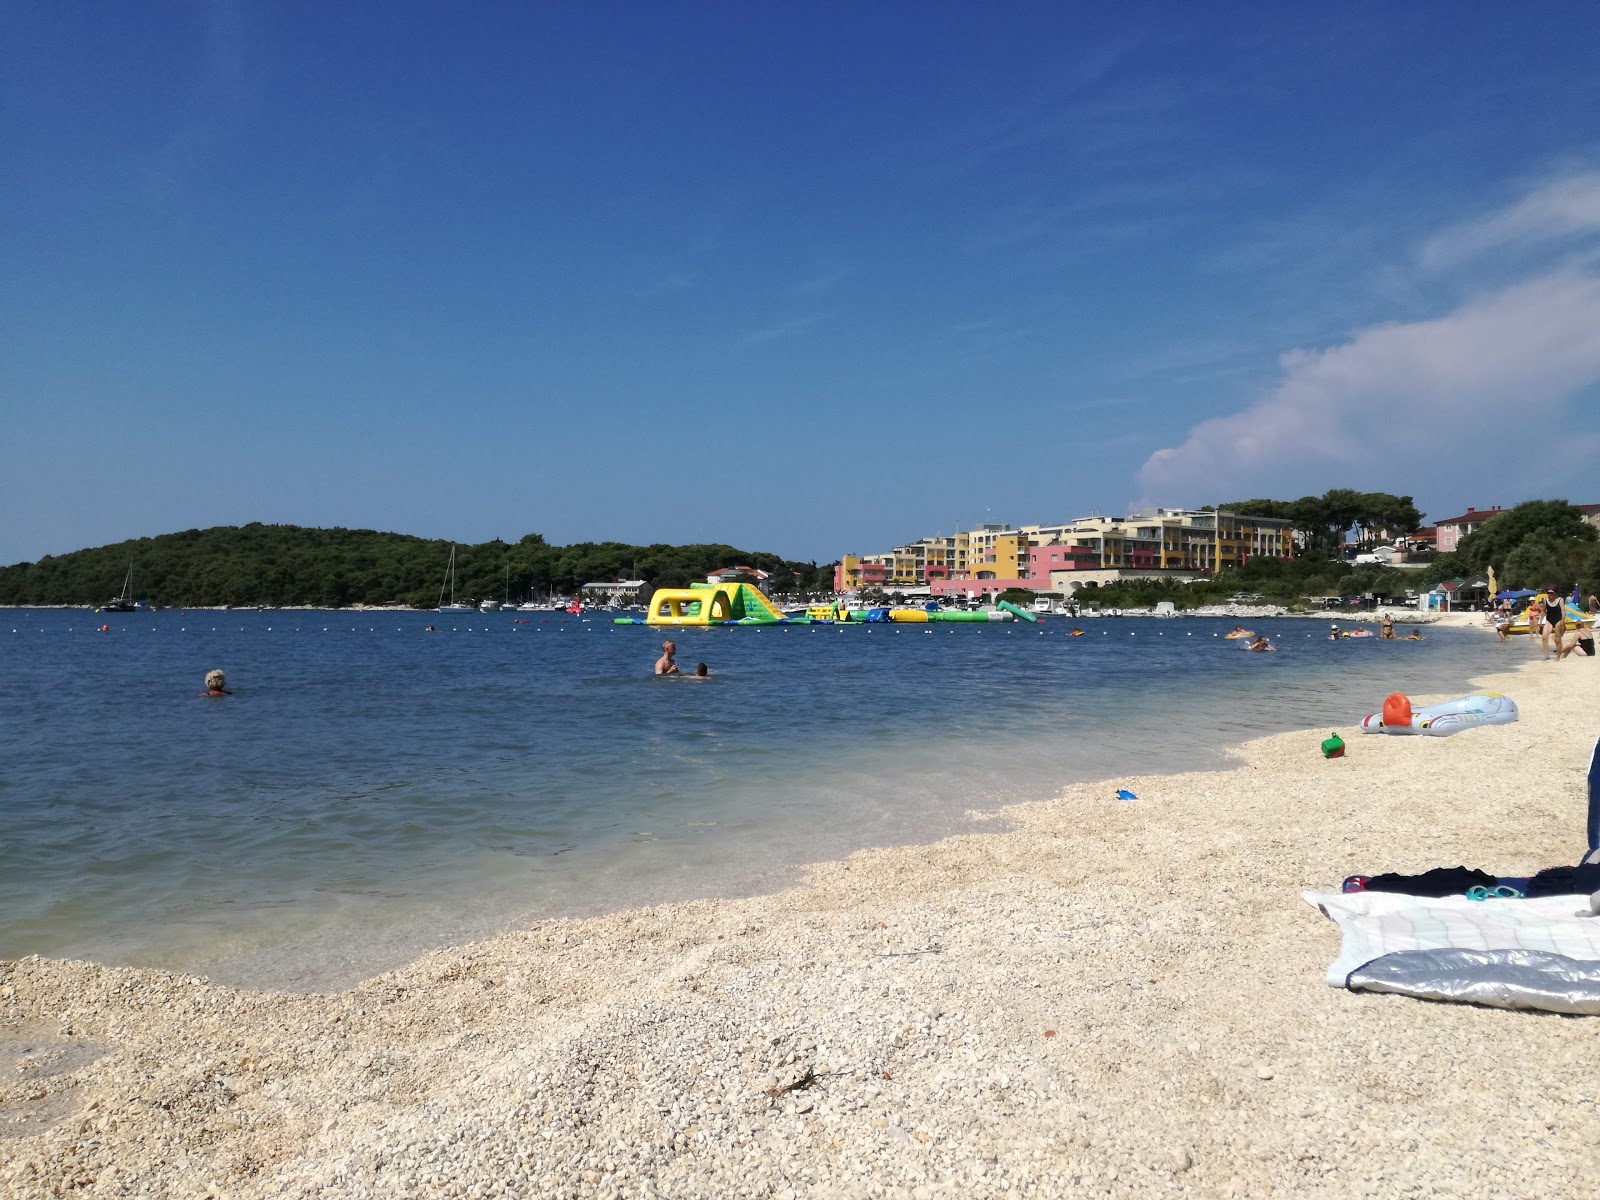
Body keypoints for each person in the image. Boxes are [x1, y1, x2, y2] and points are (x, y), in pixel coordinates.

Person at [1541, 587, 1567, 660]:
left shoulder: (1560, 600)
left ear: (1555, 593)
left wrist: (1562, 620)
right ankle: (1547, 656)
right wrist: (1540, 622)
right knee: (1544, 637)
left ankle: (1558, 657)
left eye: (1551, 593)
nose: (1549, 594)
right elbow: (1543, 611)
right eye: (1548, 593)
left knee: (1557, 639)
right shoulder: (1545, 600)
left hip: (1558, 620)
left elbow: (1563, 611)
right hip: (1549, 620)